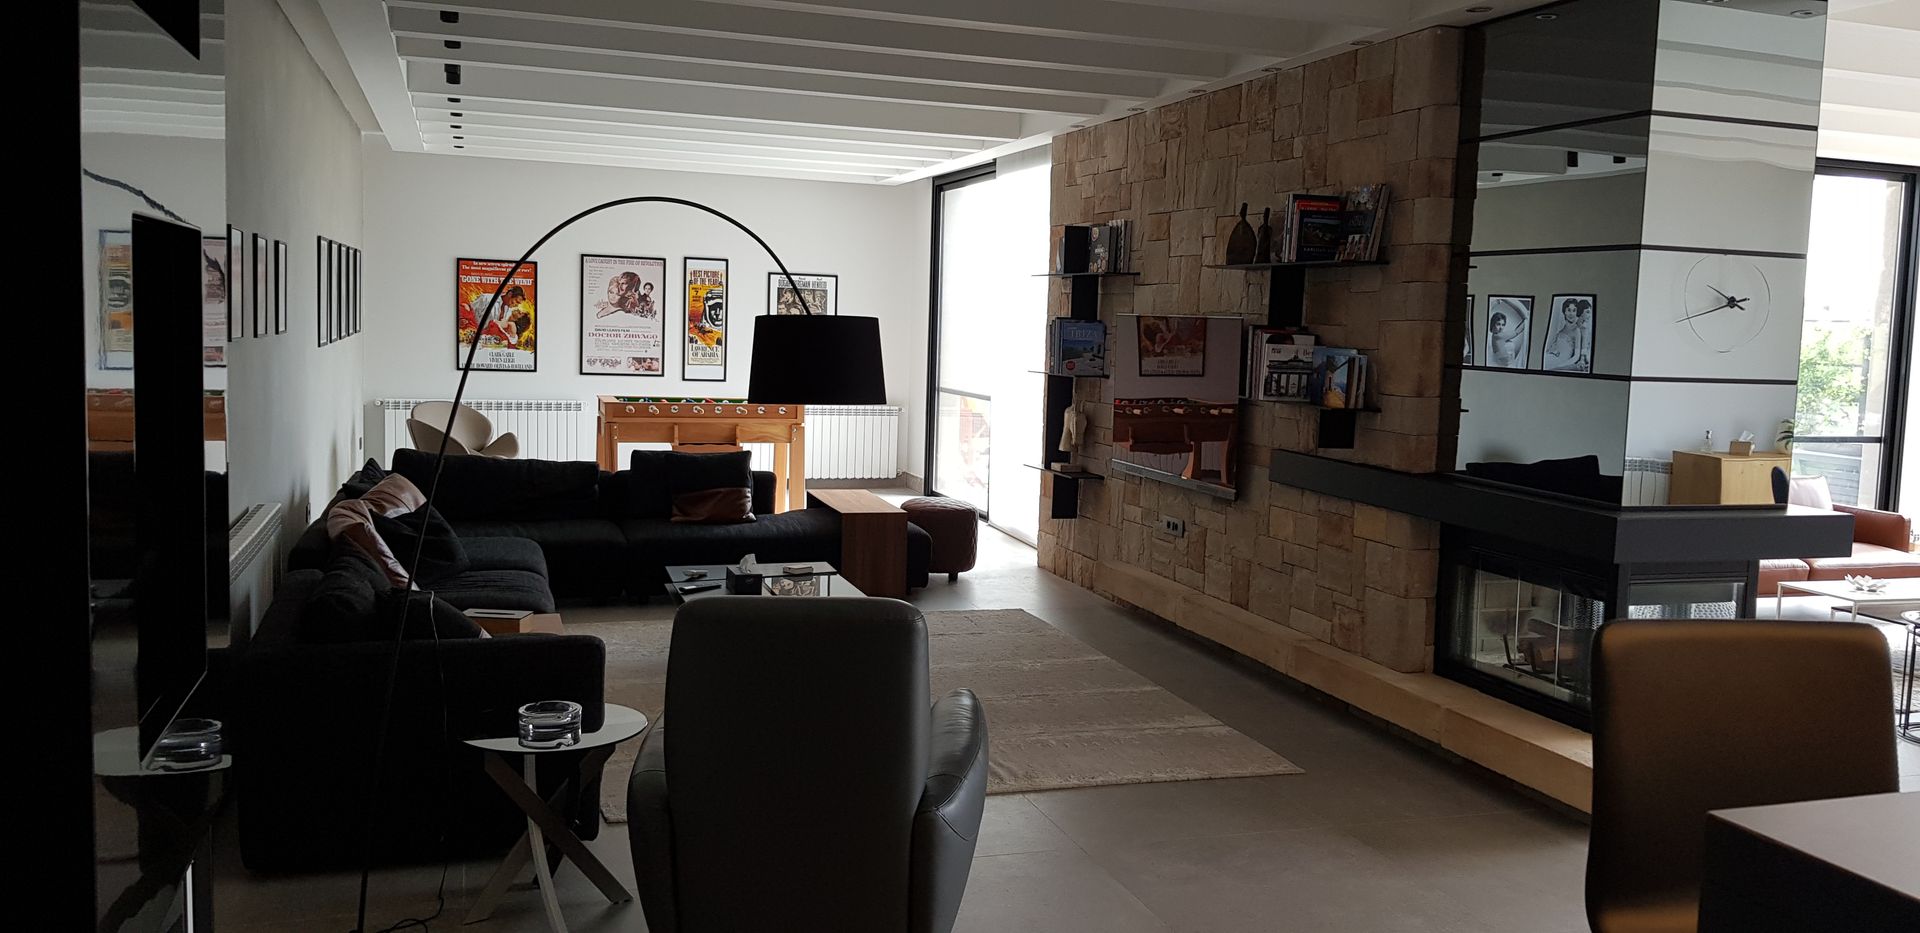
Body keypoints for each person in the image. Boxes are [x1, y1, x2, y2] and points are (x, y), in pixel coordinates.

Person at [1543, 297, 1592, 372]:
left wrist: (1558, 367)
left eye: (1574, 310)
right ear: (1564, 312)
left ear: (1577, 312)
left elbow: (1576, 357)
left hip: (1561, 362)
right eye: (1569, 310)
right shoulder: (1561, 330)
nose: (1571, 314)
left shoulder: (1577, 330)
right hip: (1552, 357)